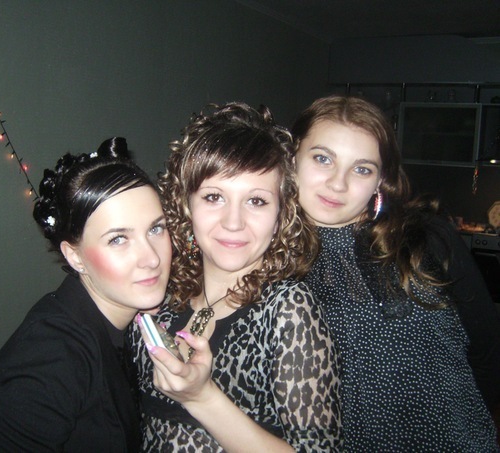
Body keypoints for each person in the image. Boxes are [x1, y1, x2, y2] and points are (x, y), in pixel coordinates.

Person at [129, 102, 342, 452]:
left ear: (281, 215)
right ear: (186, 205)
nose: (233, 222)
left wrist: (202, 398)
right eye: (214, 197)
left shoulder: (287, 308)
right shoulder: (159, 299)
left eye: (256, 201)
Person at [291, 95, 500, 451]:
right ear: (293, 158)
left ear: (380, 180)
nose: (338, 183)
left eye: (362, 169)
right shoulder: (273, 257)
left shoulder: (425, 239)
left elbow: (488, 351)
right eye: (322, 158)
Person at [0, 137, 172, 451]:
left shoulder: (125, 317)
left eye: (156, 228)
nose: (152, 258)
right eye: (118, 239)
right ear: (75, 257)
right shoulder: (53, 354)